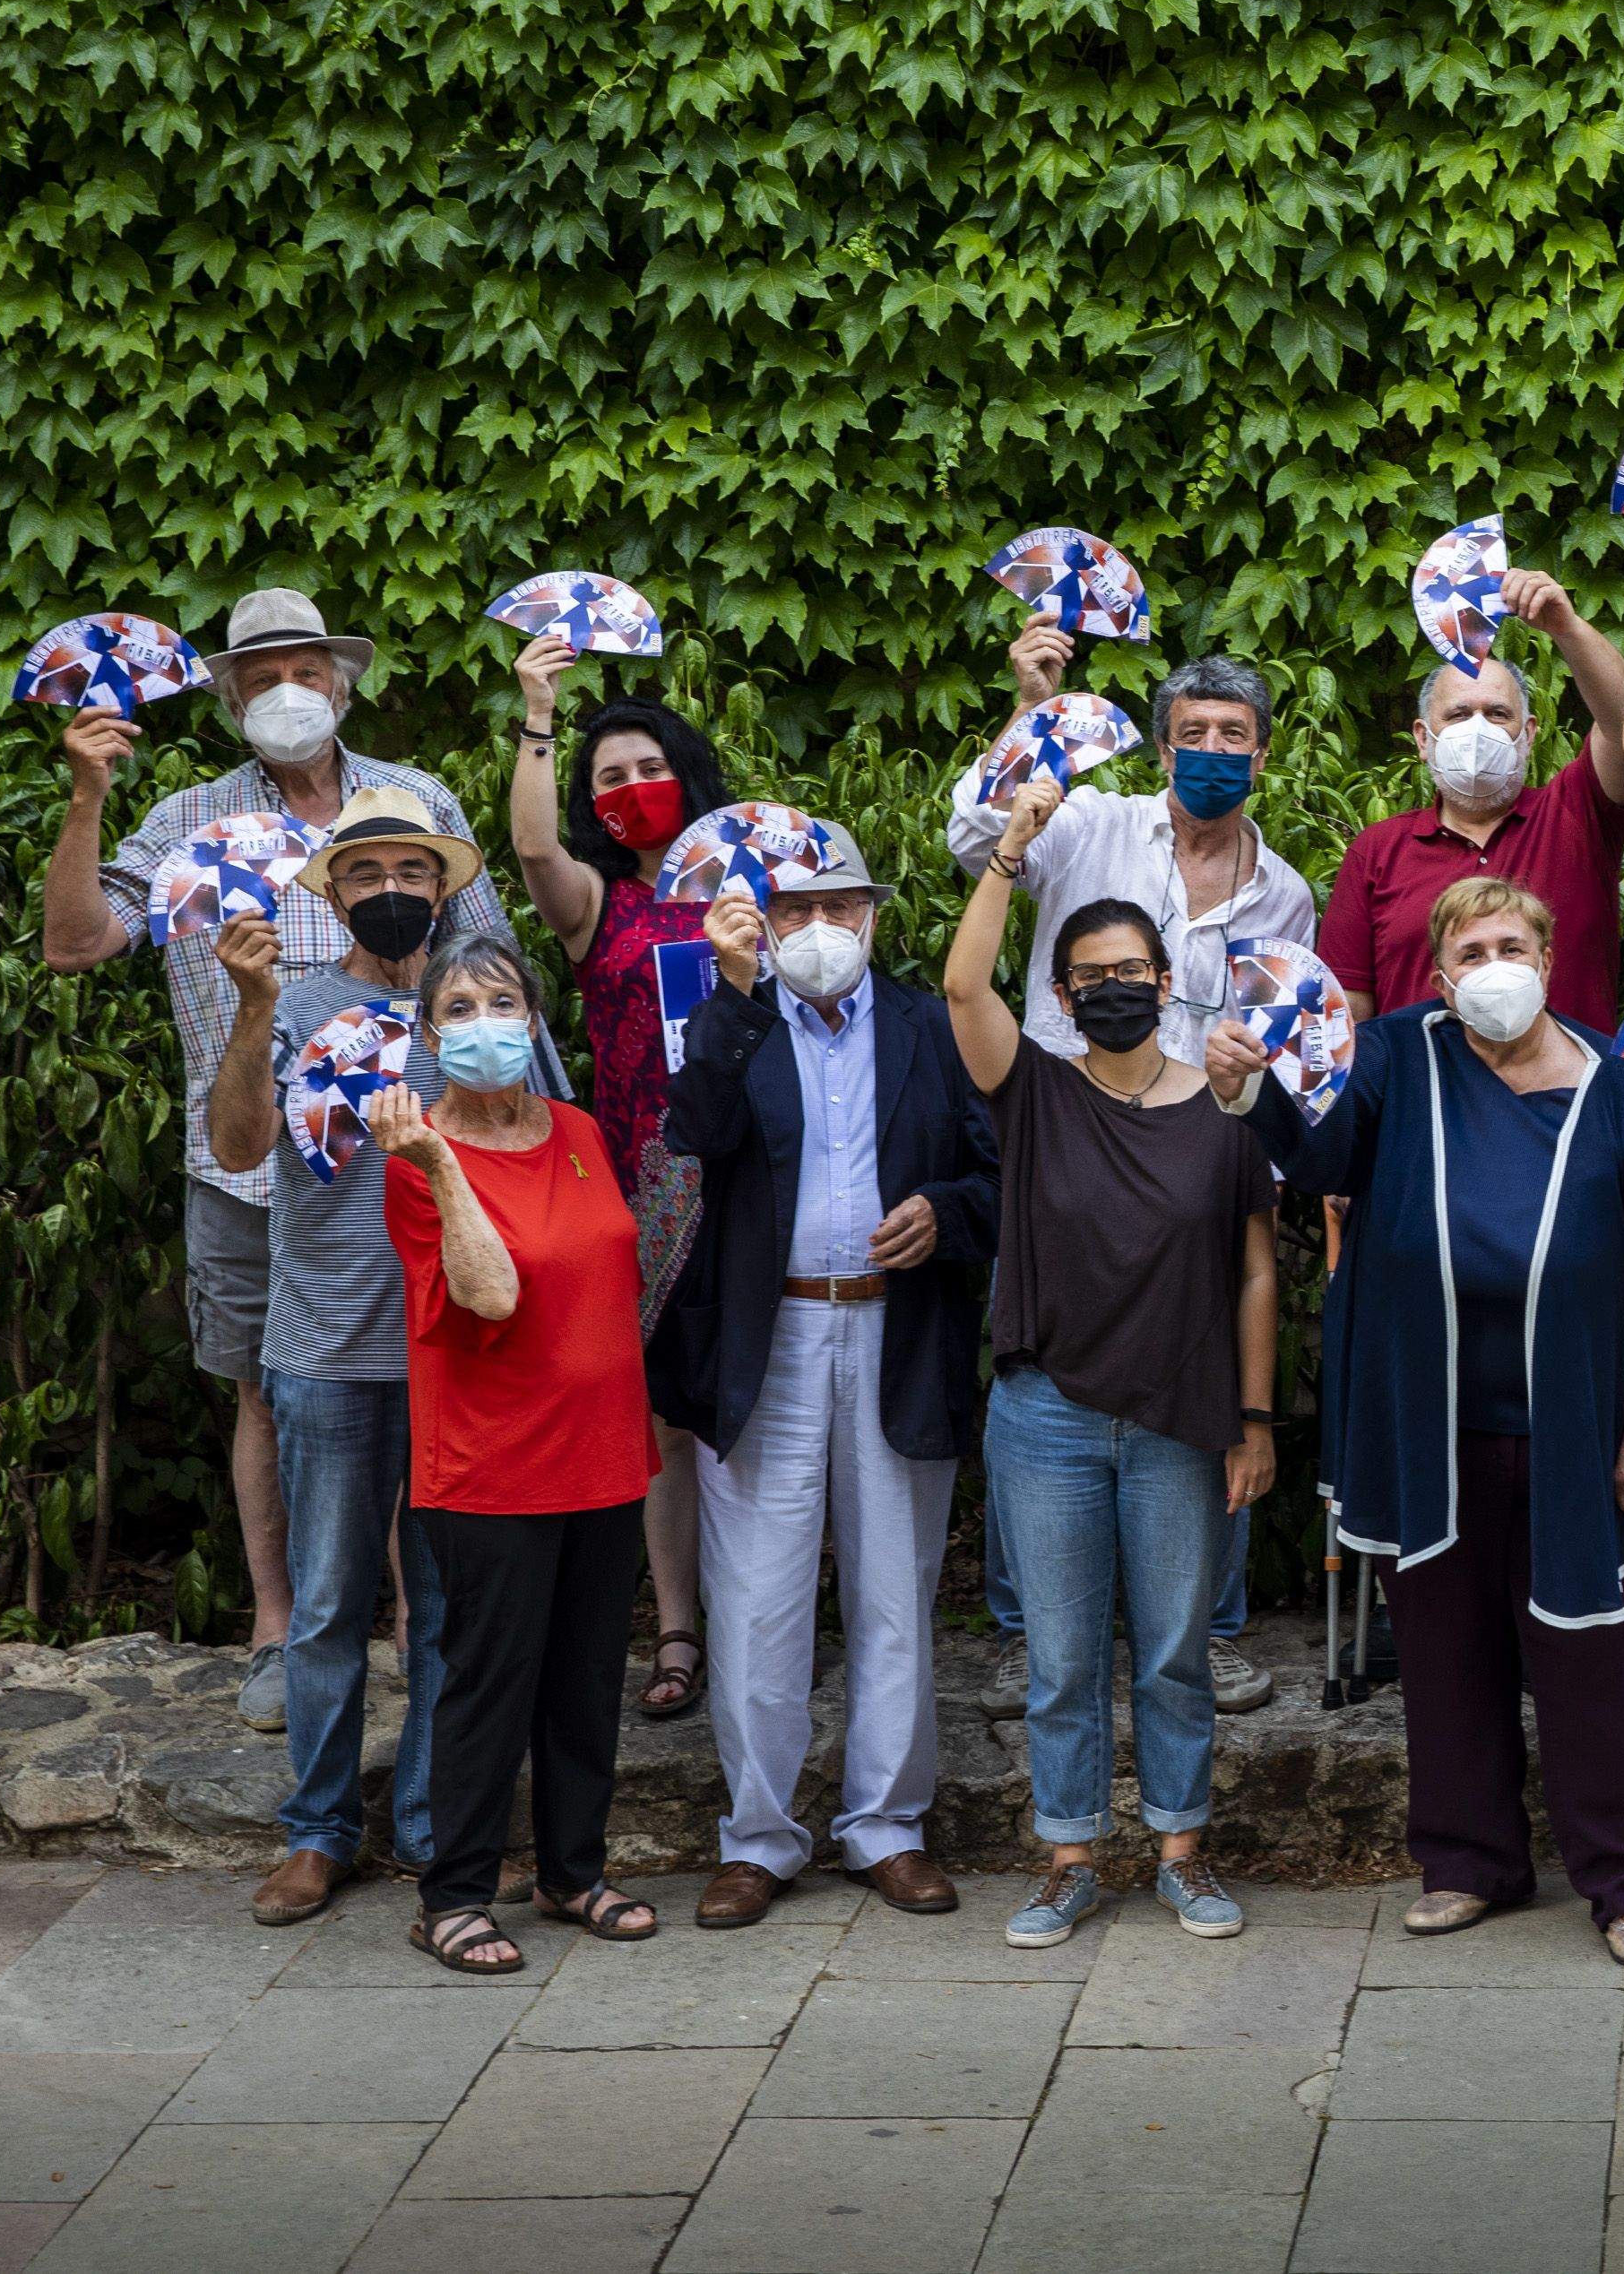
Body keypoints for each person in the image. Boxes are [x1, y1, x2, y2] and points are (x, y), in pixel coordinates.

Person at [1219, 877, 1624, 1964]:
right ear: (1439, 974)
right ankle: (1467, 1861)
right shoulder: (1399, 1055)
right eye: (1469, 949)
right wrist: (1252, 1097)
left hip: (1586, 1434)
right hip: (1427, 1423)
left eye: (1511, 943)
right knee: (1445, 1658)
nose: (1492, 964)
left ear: (1547, 958)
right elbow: (1321, 1162)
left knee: (1598, 1660)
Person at [38, 587, 511, 1734]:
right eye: (261, 679)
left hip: (408, 1155)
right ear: (231, 700)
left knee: (423, 1386)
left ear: (340, 687)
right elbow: (76, 943)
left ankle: (414, 1624)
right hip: (247, 1165)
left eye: (305, 673)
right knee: (262, 1388)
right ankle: (273, 1625)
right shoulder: (190, 817)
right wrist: (89, 798)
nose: (286, 694)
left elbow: (486, 954)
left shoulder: (416, 803)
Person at [207, 788, 577, 1927]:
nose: (392, 893)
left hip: (462, 1355)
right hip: (327, 1348)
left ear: (445, 886)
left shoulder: (487, 1009)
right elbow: (234, 1146)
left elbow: (554, 1150)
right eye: (366, 876)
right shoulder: (301, 1001)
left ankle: (430, 1827)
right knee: (324, 1607)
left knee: (449, 1609)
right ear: (337, 893)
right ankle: (317, 1836)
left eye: (413, 874)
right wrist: (254, 1009)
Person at [945, 644, 1310, 1721]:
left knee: (1215, 1386)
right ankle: (1025, 1635)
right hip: (1062, 1138)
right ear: (1160, 746)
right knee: (1036, 1376)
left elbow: (1283, 1036)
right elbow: (978, 838)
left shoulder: (1283, 892)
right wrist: (1030, 716)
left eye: (1231, 736)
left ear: (1262, 748)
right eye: (1191, 734)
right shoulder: (1095, 823)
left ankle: (1216, 1625)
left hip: (1200, 1149)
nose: (1210, 752)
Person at [949, 778, 1281, 1947]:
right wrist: (1011, 856)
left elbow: (1255, 1271)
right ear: (1062, 991)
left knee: (1180, 1651)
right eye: (1088, 975)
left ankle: (1184, 1851)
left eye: (1129, 970)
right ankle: (1070, 1854)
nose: (1112, 987)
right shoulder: (1031, 1091)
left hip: (1185, 1421)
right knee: (1065, 1655)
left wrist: (1255, 1416)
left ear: (1168, 977)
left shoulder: (1221, 1113)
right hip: (1046, 1416)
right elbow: (958, 984)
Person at [662, 822, 1000, 1928]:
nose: (818, 928)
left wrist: (945, 1217)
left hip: (898, 1331)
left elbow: (999, 1174)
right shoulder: (728, 1016)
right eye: (792, 908)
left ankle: (885, 1829)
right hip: (771, 1343)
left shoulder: (928, 1024)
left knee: (894, 1594)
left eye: (838, 905)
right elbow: (694, 1130)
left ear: (873, 912)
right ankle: (759, 1839)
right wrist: (735, 987)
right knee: (757, 1600)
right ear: (760, 917)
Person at [372, 930, 664, 1976]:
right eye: (458, 1008)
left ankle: (571, 1872)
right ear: (429, 1035)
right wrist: (443, 1161)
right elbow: (490, 1293)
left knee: (586, 1679)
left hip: (602, 1455)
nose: (484, 1023)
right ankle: (450, 1894)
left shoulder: (579, 1127)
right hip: (492, 1469)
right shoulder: (415, 1168)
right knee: (490, 1684)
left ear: (535, 1022)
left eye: (502, 1003)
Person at [505, 627, 734, 1723]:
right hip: (645, 1188)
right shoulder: (599, 906)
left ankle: (774, 1615)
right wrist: (541, 720)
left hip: (764, 1173)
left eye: (651, 768)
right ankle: (680, 1626)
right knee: (666, 1421)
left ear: (690, 775)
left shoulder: (768, 878)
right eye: (613, 778)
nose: (636, 789)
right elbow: (534, 853)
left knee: (774, 1401)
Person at [1321, 569, 1624, 1025]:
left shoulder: (1577, 815)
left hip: (1568, 1088)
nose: (1478, 729)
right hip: (1425, 1090)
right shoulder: (1377, 851)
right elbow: (1348, 1009)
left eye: (1497, 713)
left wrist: (1566, 627)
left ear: (1528, 733)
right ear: (1423, 738)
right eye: (1458, 714)